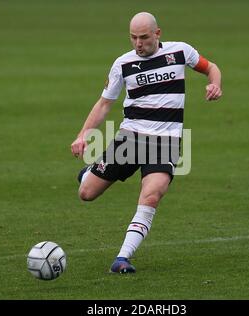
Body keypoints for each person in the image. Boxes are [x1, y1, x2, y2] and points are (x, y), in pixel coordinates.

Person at [70, 12, 222, 273]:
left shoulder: (180, 52)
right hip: (131, 139)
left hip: (166, 142)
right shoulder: (123, 64)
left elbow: (210, 67)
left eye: (143, 37)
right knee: (87, 194)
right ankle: (89, 173)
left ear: (157, 33)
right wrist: (83, 134)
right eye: (133, 38)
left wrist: (215, 84)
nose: (138, 43)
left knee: (151, 195)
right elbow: (105, 104)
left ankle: (122, 258)